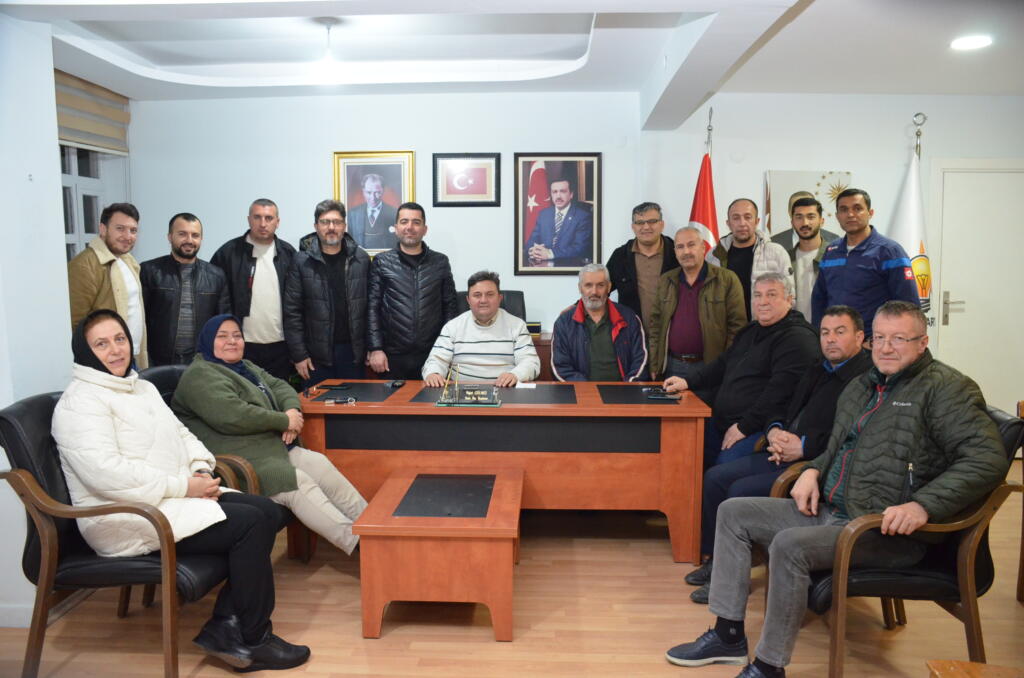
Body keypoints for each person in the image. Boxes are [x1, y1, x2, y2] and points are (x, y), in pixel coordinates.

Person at [664, 300, 1009, 677]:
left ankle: (768, 666)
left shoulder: (946, 389)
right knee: (733, 513)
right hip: (832, 511)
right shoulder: (863, 385)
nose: (886, 348)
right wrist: (812, 470)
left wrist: (922, 506)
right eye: (880, 338)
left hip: (882, 531)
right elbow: (838, 444)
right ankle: (728, 635)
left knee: (789, 546)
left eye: (899, 339)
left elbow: (986, 459)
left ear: (923, 342)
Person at [52, 309, 309, 672]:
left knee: (266, 510)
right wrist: (185, 486)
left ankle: (227, 627)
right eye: (102, 344)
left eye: (120, 339)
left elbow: (183, 435)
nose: (115, 350)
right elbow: (107, 476)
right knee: (251, 524)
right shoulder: (80, 403)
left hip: (166, 500)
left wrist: (200, 469)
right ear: (85, 351)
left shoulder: (140, 386)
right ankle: (253, 638)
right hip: (124, 516)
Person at [684, 305, 872, 604]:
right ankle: (717, 561)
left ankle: (732, 578)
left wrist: (804, 446)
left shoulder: (864, 381)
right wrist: (774, 430)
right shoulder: (818, 367)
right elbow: (780, 404)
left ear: (860, 337)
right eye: (825, 332)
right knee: (715, 478)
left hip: (814, 466)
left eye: (840, 332)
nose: (830, 339)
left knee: (738, 491)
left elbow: (850, 438)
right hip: (780, 451)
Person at [172, 315, 368, 556]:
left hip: (270, 448)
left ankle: (374, 527)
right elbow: (234, 415)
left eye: (237, 335)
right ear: (207, 341)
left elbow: (280, 386)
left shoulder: (244, 366)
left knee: (319, 463)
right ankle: (360, 545)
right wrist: (284, 421)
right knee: (297, 482)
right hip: (241, 461)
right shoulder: (200, 375)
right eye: (222, 336)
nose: (232, 341)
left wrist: (292, 410)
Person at [664, 273, 818, 468]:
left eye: (771, 295)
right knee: (681, 448)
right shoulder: (751, 330)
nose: (763, 302)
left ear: (789, 299)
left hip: (758, 429)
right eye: (757, 295)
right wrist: (688, 381)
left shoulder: (798, 339)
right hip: (722, 421)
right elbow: (723, 363)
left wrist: (743, 427)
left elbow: (778, 394)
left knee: (718, 472)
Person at [283, 199, 370, 387]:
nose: (331, 227)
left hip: (353, 354)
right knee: (317, 405)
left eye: (337, 222)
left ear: (344, 226)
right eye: (325, 222)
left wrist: (372, 348)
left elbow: (371, 307)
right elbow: (291, 312)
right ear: (316, 226)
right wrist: (299, 355)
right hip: (315, 357)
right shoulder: (301, 261)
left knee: (354, 403)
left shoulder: (361, 259)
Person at [367, 202, 458, 379]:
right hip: (392, 357)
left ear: (425, 229)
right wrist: (376, 348)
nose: (410, 227)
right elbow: (372, 307)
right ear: (396, 228)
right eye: (404, 221)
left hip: (433, 356)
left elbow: (450, 306)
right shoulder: (381, 262)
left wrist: (447, 348)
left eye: (416, 222)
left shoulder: (440, 262)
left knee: (433, 398)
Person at [811, 188, 920, 335]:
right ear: (837, 216)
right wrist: (820, 335)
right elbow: (819, 299)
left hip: (872, 342)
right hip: (835, 340)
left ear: (870, 213)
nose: (850, 214)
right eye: (844, 209)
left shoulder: (889, 251)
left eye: (857, 208)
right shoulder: (831, 251)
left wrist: (880, 340)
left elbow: (908, 305)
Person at [211, 198, 297, 381]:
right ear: (248, 219)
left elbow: (297, 303)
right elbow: (216, 303)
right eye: (257, 217)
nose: (263, 224)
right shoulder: (228, 254)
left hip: (281, 347)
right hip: (241, 345)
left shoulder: (289, 254)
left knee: (278, 395)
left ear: (277, 222)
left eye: (269, 218)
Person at [648, 227, 746, 386]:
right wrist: (654, 363)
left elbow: (737, 328)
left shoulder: (727, 280)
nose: (686, 251)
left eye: (691, 244)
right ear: (675, 252)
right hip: (672, 366)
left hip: (710, 367)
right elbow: (655, 326)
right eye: (680, 247)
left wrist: (725, 365)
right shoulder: (666, 280)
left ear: (703, 247)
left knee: (707, 404)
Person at [422, 271, 540, 387]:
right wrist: (434, 373)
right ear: (468, 300)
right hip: (461, 392)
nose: (483, 300)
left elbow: (531, 362)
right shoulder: (453, 326)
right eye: (477, 295)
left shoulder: (517, 326)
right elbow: (436, 360)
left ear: (499, 298)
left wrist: (515, 375)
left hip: (504, 390)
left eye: (490, 294)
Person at [140, 212, 230, 365]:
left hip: (201, 362)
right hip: (158, 361)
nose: (189, 240)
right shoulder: (149, 271)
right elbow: (140, 321)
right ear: (170, 237)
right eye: (182, 234)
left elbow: (224, 323)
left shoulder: (216, 276)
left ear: (201, 239)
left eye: (195, 235)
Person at [67, 202, 148, 369]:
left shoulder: (129, 262)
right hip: (105, 361)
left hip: (130, 356)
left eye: (133, 230)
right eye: (120, 228)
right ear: (103, 229)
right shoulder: (84, 265)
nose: (128, 236)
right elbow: (75, 323)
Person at [551, 263, 647, 382]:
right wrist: (586, 389)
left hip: (624, 389)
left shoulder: (629, 318)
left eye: (600, 285)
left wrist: (627, 387)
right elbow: (561, 367)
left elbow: (641, 361)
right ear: (580, 288)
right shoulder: (564, 323)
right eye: (588, 285)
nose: (594, 292)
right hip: (581, 390)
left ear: (609, 287)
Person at [708, 199, 792, 321]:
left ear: (757, 221)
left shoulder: (776, 253)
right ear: (728, 223)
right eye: (736, 218)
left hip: (766, 327)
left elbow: (790, 297)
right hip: (727, 328)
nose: (742, 223)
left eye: (748, 217)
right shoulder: (714, 256)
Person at [605, 201, 677, 335]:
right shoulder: (620, 256)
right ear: (633, 227)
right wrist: (577, 306)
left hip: (671, 335)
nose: (646, 227)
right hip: (632, 335)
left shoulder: (677, 253)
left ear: (662, 225)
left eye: (652, 221)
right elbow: (601, 287)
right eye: (640, 222)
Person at [769, 196, 837, 322]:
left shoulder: (835, 256)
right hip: (793, 328)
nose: (805, 223)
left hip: (827, 329)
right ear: (792, 222)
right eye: (799, 217)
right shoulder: (784, 258)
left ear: (821, 221)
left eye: (811, 217)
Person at [524, 177, 594, 263]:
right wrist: (533, 251)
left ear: (571, 194)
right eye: (554, 192)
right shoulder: (544, 214)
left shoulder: (582, 217)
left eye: (563, 191)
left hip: (568, 265)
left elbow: (580, 248)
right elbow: (531, 242)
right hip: (542, 264)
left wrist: (550, 254)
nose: (558, 196)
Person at [347, 173, 399, 250]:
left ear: (383, 191)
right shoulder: (353, 214)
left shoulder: (394, 213)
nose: (373, 197)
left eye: (377, 192)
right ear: (363, 191)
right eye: (368, 192)